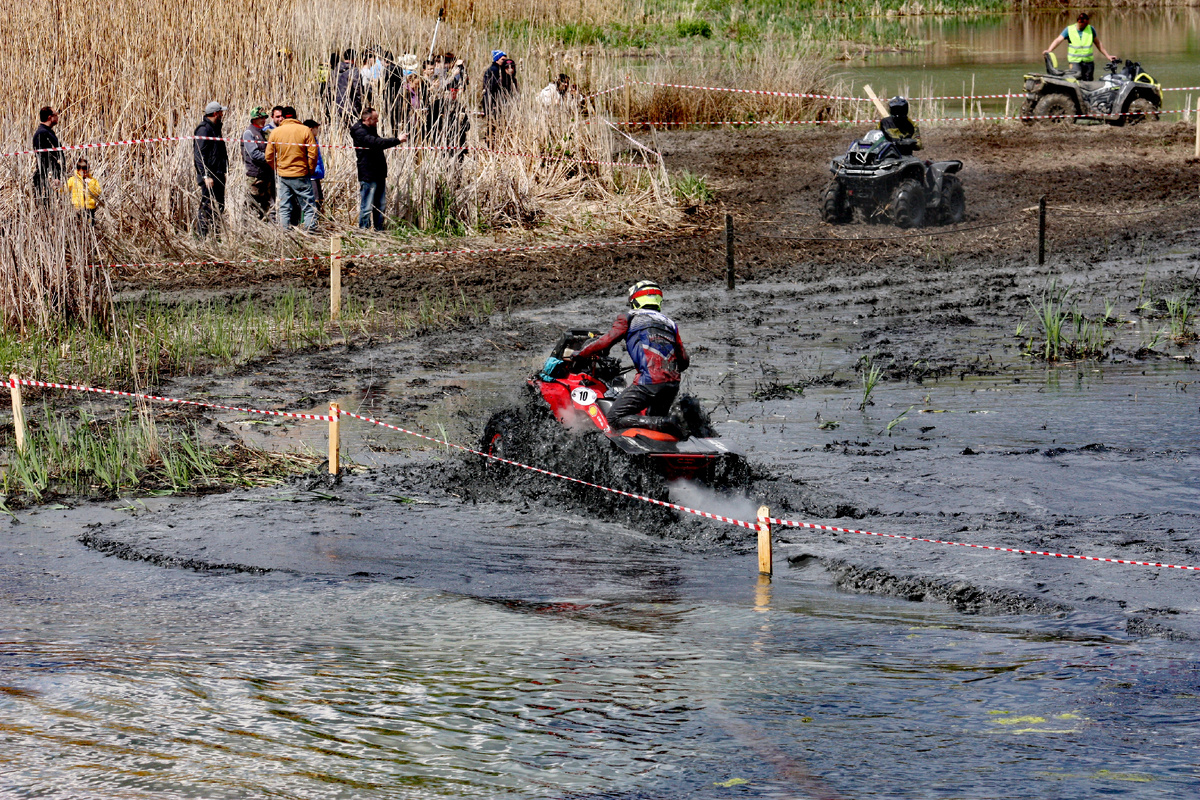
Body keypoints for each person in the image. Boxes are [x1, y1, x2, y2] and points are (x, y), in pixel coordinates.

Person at [571, 280, 690, 430]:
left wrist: (580, 355)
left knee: (614, 418)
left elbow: (605, 342)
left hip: (648, 382)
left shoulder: (629, 317)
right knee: (652, 422)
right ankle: (669, 425)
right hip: (672, 385)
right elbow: (684, 361)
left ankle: (665, 422)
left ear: (634, 300)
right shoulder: (670, 323)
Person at [350, 106, 407, 230]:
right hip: (368, 173)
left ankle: (379, 229)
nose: (377, 121)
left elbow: (378, 141)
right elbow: (376, 143)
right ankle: (364, 230)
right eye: (375, 119)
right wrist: (397, 140)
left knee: (380, 205)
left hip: (378, 173)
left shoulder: (370, 129)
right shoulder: (360, 132)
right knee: (367, 206)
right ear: (368, 119)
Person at [265, 106, 319, 232]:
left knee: (284, 206)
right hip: (301, 173)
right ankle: (310, 231)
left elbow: (268, 156)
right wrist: (310, 169)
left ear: (283, 117)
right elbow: (313, 153)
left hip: (283, 174)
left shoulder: (276, 132)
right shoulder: (305, 130)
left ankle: (285, 232)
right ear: (295, 115)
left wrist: (277, 168)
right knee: (308, 205)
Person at [1044, 12, 1115, 82]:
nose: (1087, 25)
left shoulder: (1091, 29)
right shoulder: (1069, 30)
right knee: (1076, 80)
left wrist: (1108, 56)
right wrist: (1049, 50)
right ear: (1079, 22)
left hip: (1088, 62)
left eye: (1087, 23)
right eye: (1085, 24)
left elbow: (1098, 43)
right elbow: (1058, 40)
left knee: (1089, 82)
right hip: (1075, 62)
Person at [193, 100, 229, 237]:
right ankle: (202, 237)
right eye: (221, 112)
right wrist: (205, 175)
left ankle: (216, 235)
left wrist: (223, 171)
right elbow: (199, 155)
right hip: (209, 176)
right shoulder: (204, 129)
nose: (222, 114)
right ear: (215, 113)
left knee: (219, 206)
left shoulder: (216, 128)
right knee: (207, 206)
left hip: (218, 173)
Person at [243, 106, 275, 220]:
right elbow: (254, 154)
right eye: (261, 118)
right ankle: (248, 230)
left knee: (267, 204)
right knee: (252, 205)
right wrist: (272, 159)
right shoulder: (249, 133)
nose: (264, 120)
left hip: (266, 174)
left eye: (265, 118)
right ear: (254, 119)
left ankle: (266, 229)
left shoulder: (263, 133)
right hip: (254, 175)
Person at [32, 106, 65, 207]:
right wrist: (53, 176)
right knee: (46, 206)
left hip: (51, 176)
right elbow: (44, 157)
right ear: (50, 117)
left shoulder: (47, 131)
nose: (58, 117)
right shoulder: (42, 134)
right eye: (56, 115)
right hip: (46, 178)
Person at [65, 158, 101, 223]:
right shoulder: (73, 180)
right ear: (78, 171)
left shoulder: (93, 180)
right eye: (83, 172)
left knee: (90, 225)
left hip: (90, 208)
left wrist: (90, 184)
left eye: (87, 172)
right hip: (77, 207)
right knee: (78, 225)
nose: (85, 174)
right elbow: (65, 189)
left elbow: (97, 192)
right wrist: (58, 187)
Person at [335, 49, 364, 124]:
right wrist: (359, 107)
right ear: (354, 59)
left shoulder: (334, 71)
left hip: (335, 107)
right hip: (350, 108)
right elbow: (357, 91)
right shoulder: (354, 71)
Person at [303, 119, 326, 212]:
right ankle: (312, 220)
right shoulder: (307, 140)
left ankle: (318, 219)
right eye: (316, 128)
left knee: (319, 199)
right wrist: (313, 170)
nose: (318, 130)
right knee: (314, 200)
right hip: (312, 175)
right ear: (311, 129)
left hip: (316, 174)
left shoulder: (314, 139)